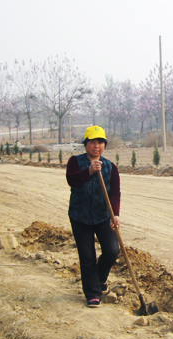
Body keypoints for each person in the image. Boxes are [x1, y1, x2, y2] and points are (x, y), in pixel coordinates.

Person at [66, 125, 121, 308]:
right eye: (92, 142)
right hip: (80, 216)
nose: (96, 146)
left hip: (102, 215)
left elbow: (115, 193)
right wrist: (89, 171)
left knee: (112, 251)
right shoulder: (75, 162)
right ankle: (92, 293)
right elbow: (71, 181)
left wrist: (115, 214)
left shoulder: (110, 167)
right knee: (87, 255)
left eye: (100, 142)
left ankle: (99, 278)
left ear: (104, 145)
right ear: (86, 144)